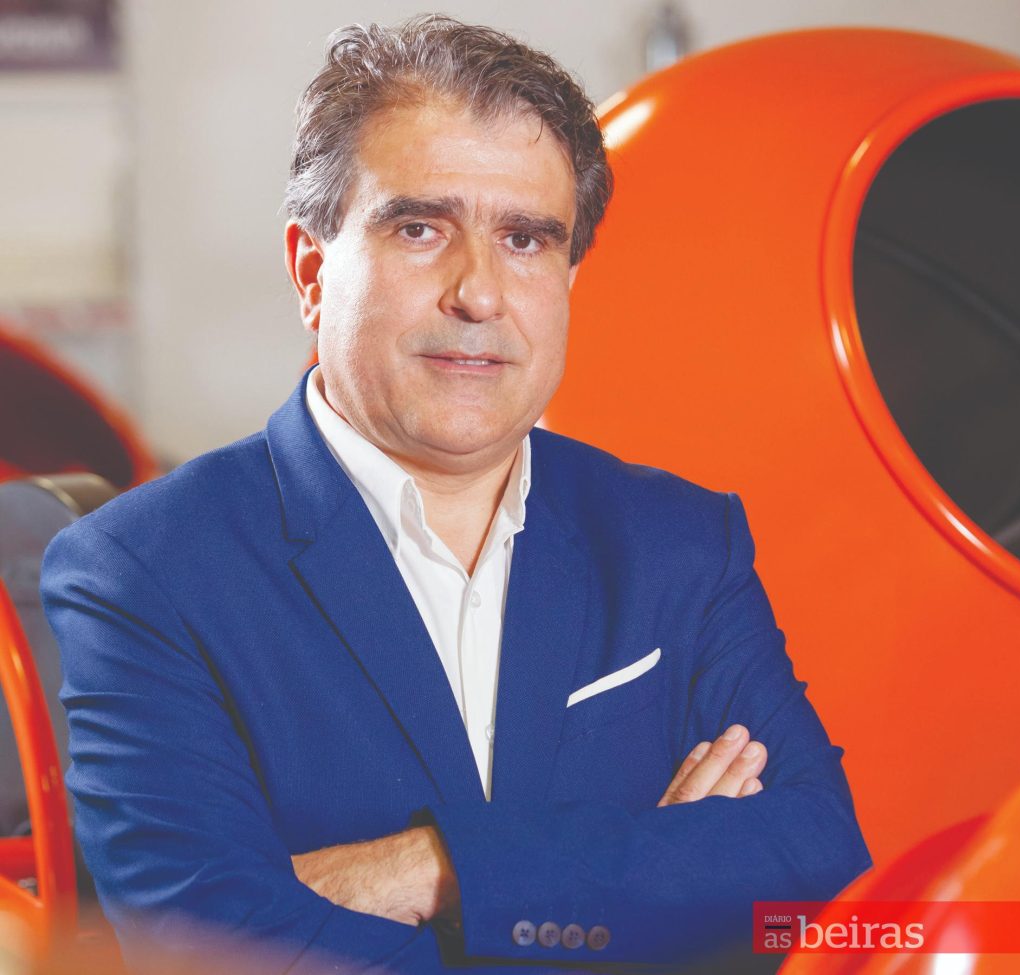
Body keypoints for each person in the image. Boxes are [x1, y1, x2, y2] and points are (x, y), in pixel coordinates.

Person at [40, 14, 872, 974]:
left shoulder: (680, 541)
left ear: (568, 277)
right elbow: (212, 953)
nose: (479, 293)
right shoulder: (143, 572)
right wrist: (648, 883)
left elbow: (823, 882)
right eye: (421, 228)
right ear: (312, 272)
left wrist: (434, 867)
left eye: (525, 238)